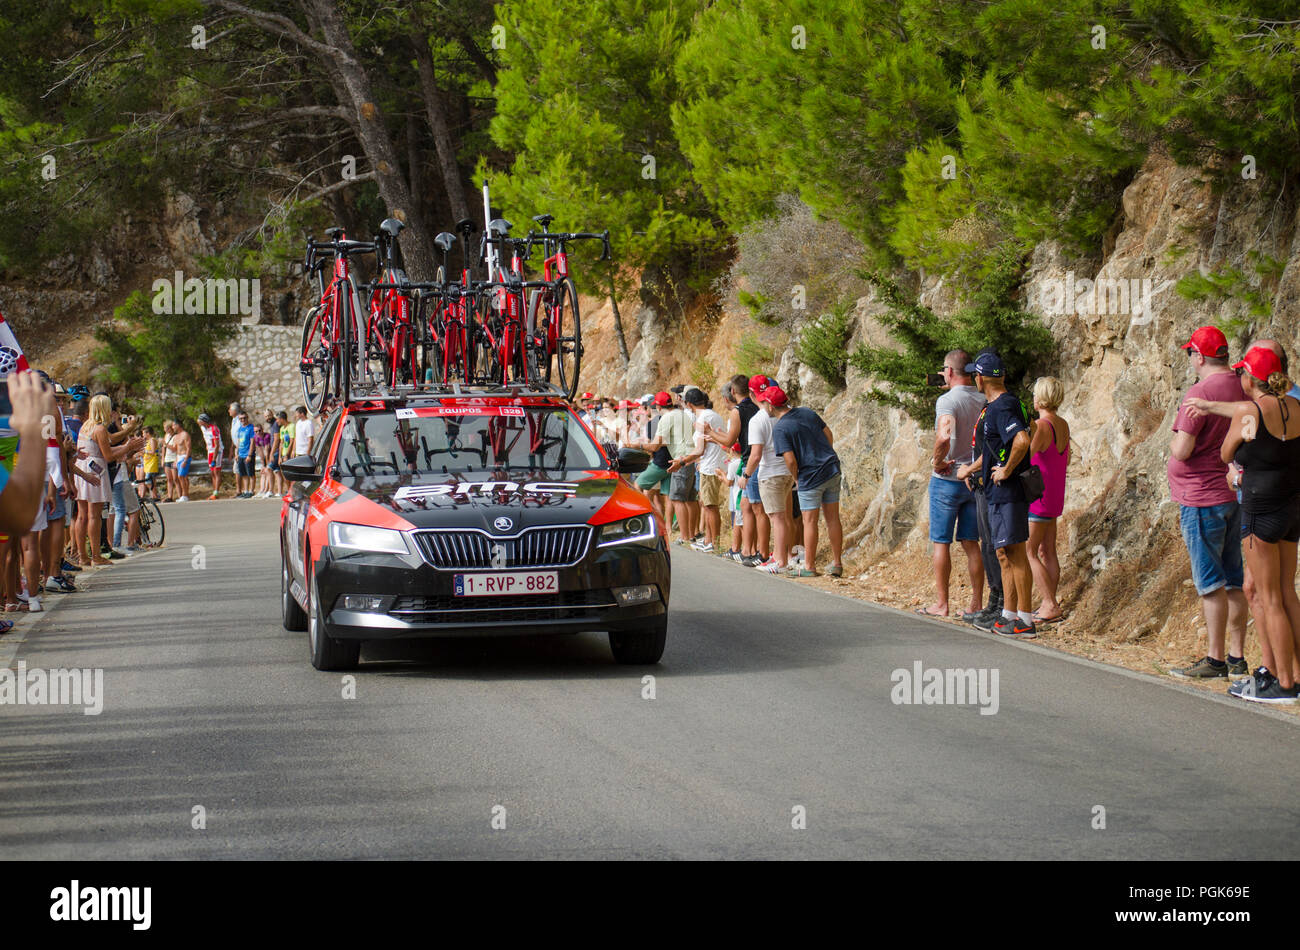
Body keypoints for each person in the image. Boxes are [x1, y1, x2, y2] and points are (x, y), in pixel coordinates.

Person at [1186, 338, 1300, 696]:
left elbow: (1225, 454)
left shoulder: (1247, 412)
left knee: (1268, 598)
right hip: (1292, 507)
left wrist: (1239, 469)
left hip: (1259, 506)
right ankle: (1296, 674)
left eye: (1243, 375)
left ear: (1251, 377)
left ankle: (1282, 683)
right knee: (1287, 593)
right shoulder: (1296, 406)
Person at [1167, 325, 1248, 679]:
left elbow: (1182, 450)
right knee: (1234, 578)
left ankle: (1214, 659)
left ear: (1198, 356)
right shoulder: (1241, 386)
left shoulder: (1199, 393)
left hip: (1200, 498)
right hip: (1233, 493)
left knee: (1210, 581)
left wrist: (1171, 448)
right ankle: (1236, 655)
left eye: (1191, 354)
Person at [964, 352, 1037, 638]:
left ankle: (1026, 620)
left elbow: (1021, 439)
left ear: (980, 378)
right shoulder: (1008, 403)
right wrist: (975, 469)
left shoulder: (1000, 407)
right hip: (1000, 492)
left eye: (975, 375)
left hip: (1008, 492)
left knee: (1015, 552)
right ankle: (1009, 613)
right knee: (1004, 552)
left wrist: (1006, 470)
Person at [921, 350, 986, 616]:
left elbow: (944, 436)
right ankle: (976, 604)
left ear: (948, 371)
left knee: (941, 542)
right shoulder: (983, 399)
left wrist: (937, 462)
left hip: (947, 479)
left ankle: (942, 603)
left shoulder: (947, 401)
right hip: (973, 477)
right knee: (972, 543)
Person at [770, 386, 844, 577]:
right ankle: (837, 563)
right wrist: (824, 454)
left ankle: (809, 566)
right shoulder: (807, 412)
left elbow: (790, 460)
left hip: (809, 476)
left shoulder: (780, 428)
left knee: (809, 521)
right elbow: (828, 434)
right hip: (831, 468)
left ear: (771, 406)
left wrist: (796, 478)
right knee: (833, 518)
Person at [75, 395, 143, 566]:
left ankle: (82, 555)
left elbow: (110, 441)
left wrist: (127, 435)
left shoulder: (87, 426)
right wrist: (128, 447)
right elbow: (109, 455)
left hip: (83, 468)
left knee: (82, 515)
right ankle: (96, 556)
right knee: (94, 516)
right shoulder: (99, 429)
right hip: (95, 471)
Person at [1025, 376, 1070, 623]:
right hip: (1055, 493)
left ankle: (1050, 603)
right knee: (1048, 550)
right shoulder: (1063, 424)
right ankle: (1048, 602)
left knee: (1028, 550)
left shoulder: (1042, 426)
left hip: (1038, 495)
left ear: (1041, 397)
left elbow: (1026, 455)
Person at [748, 383, 794, 573]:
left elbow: (756, 454)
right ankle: (785, 556)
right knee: (784, 517)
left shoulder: (757, 420)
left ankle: (780, 561)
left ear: (753, 394)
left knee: (777, 518)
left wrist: (746, 474)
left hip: (770, 473)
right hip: (788, 471)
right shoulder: (788, 415)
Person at [674, 388, 726, 553]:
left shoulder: (703, 418)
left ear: (689, 404)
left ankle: (714, 543)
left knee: (710, 506)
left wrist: (682, 461)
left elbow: (699, 450)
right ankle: (709, 540)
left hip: (710, 466)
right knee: (706, 504)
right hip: (712, 463)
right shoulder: (712, 414)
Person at [659, 388, 699, 545]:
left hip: (680, 459)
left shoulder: (666, 418)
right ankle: (691, 534)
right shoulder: (684, 414)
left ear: (658, 407)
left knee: (677, 499)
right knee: (689, 498)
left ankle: (684, 536)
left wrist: (643, 445)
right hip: (691, 457)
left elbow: (657, 443)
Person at [631, 392, 673, 539]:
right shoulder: (670, 420)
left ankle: (647, 519)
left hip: (659, 462)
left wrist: (639, 446)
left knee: (638, 485)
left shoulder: (652, 423)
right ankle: (668, 527)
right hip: (673, 461)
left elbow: (652, 448)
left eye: (645, 407)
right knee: (667, 496)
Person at [198, 412, 224, 500]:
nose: (198, 422)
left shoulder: (214, 429)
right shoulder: (203, 428)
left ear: (204, 421)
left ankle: (216, 492)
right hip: (210, 451)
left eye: (200, 420)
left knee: (217, 472)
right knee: (212, 472)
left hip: (217, 451)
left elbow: (217, 445)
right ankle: (214, 491)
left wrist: (214, 459)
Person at [234, 410, 255, 498]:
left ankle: (251, 491)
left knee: (250, 474)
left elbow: (252, 442)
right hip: (241, 454)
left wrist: (249, 455)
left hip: (247, 454)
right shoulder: (240, 429)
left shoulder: (251, 428)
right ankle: (245, 491)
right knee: (243, 474)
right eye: (241, 419)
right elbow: (238, 442)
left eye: (244, 418)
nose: (243, 420)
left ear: (247, 418)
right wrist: (236, 453)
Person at [173, 421, 192, 502]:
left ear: (178, 425)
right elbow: (175, 449)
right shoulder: (176, 436)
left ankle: (184, 495)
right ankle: (185, 495)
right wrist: (176, 460)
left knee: (181, 476)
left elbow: (188, 448)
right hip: (179, 458)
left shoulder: (185, 434)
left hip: (184, 457)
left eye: (174, 425)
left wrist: (185, 459)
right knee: (182, 477)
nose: (173, 427)